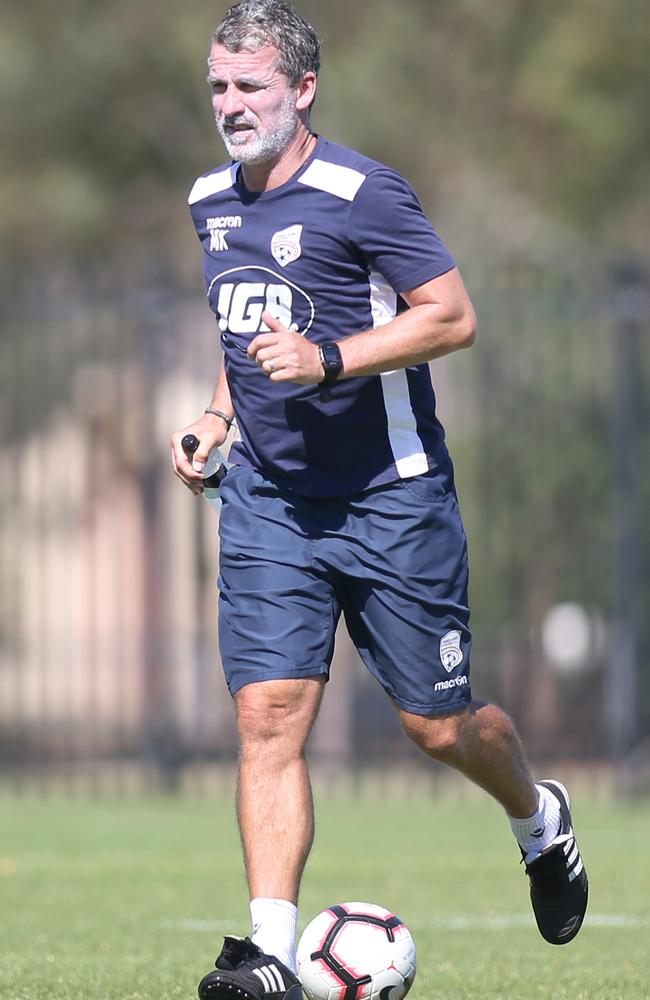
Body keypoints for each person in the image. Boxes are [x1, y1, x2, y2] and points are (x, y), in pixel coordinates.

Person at [171, 2, 588, 998]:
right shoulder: (207, 201)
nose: (230, 106)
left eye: (251, 88)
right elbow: (245, 343)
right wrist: (216, 422)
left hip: (389, 499)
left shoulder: (362, 193)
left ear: (302, 90)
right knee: (268, 715)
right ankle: (269, 955)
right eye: (219, 86)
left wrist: (330, 361)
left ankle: (538, 818)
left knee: (436, 727)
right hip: (271, 502)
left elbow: (451, 316)